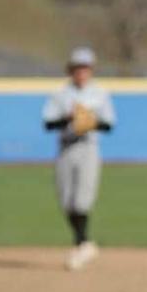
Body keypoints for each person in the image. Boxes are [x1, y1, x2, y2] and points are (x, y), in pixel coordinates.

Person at [42, 47, 116, 271]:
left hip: (88, 147)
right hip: (65, 148)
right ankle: (84, 243)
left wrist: (89, 121)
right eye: (77, 68)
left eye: (85, 68)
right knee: (66, 200)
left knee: (82, 200)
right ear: (70, 70)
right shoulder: (60, 94)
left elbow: (109, 124)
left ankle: (81, 243)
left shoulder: (99, 93)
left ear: (90, 70)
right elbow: (48, 123)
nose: (81, 72)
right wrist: (69, 118)